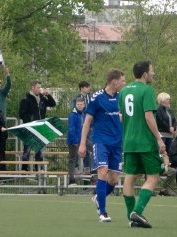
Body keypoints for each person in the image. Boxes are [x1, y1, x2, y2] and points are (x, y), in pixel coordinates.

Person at [119, 60, 166, 228]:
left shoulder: (124, 91)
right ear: (145, 73)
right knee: (153, 176)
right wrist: (159, 138)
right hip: (145, 141)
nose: (153, 73)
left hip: (129, 141)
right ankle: (137, 211)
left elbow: (122, 116)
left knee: (130, 177)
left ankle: (131, 218)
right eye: (152, 70)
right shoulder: (147, 90)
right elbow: (148, 116)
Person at [78, 69, 125, 222]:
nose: (124, 83)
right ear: (114, 81)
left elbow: (124, 118)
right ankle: (102, 213)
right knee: (102, 172)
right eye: (122, 81)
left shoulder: (121, 98)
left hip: (117, 144)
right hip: (101, 141)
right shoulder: (96, 98)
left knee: (113, 180)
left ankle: (98, 197)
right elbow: (87, 122)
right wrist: (82, 143)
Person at [19, 80, 56, 171]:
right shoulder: (26, 99)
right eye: (38, 87)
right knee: (27, 149)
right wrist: (30, 122)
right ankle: (24, 169)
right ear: (32, 87)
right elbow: (21, 113)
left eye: (40, 87)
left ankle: (39, 169)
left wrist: (48, 94)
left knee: (39, 149)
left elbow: (53, 104)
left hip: (40, 127)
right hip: (30, 128)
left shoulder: (42, 99)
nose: (40, 89)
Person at [67, 97, 89, 185]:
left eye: (81, 104)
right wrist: (75, 141)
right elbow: (71, 128)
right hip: (73, 141)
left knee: (93, 149)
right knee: (72, 159)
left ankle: (92, 175)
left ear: (84, 105)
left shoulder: (84, 114)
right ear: (75, 104)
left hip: (83, 139)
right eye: (78, 104)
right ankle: (71, 180)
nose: (79, 106)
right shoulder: (73, 114)